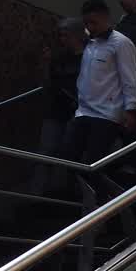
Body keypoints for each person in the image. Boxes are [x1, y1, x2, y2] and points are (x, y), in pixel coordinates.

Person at [58, 0, 136, 168]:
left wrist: (131, 110)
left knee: (93, 162)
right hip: (83, 111)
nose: (90, 27)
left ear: (106, 18)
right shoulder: (90, 43)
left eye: (94, 22)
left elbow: (129, 78)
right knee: (67, 157)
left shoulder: (121, 43)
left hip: (106, 115)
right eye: (87, 23)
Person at [31, 17, 85, 195]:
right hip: (55, 110)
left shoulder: (89, 57)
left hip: (76, 112)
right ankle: (38, 195)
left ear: (77, 35)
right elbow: (46, 83)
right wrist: (45, 64)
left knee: (67, 153)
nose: (62, 40)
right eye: (61, 36)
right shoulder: (59, 57)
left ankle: (60, 193)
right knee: (45, 152)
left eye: (66, 36)